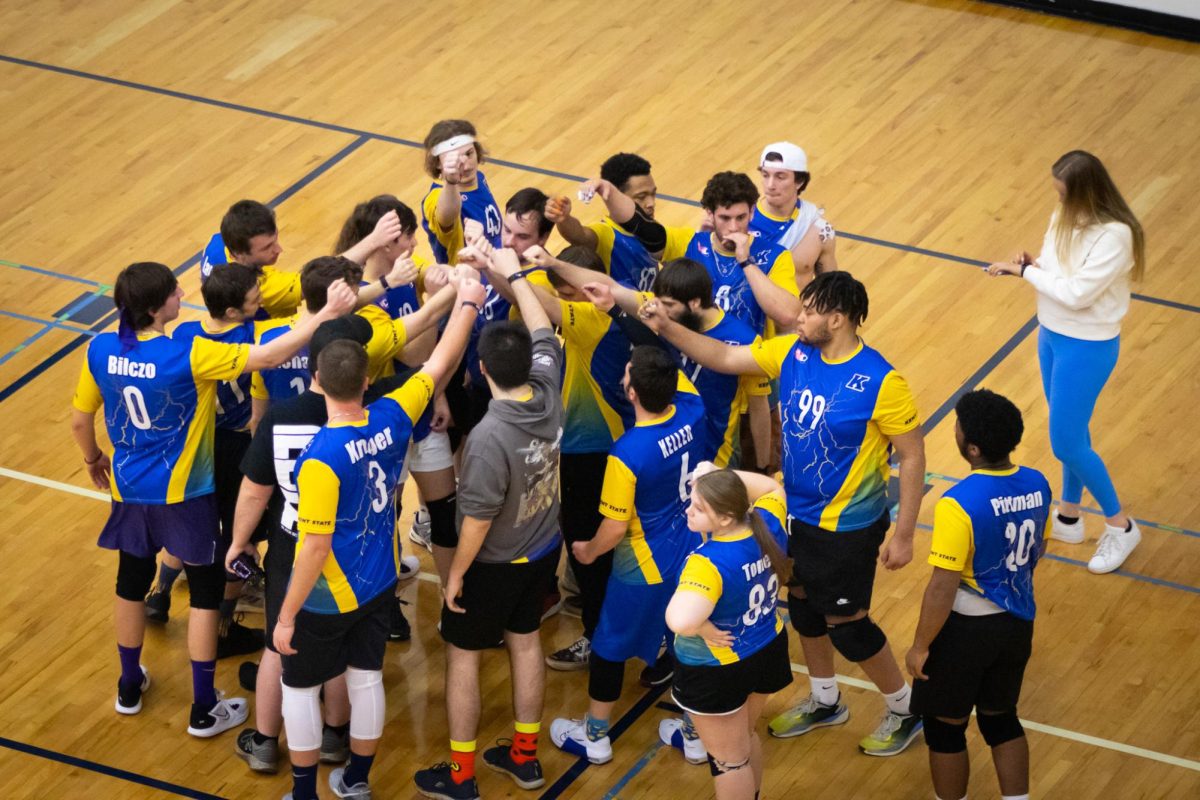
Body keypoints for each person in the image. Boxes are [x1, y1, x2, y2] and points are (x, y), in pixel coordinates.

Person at [639, 270, 928, 756]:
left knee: (850, 628)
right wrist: (667, 327)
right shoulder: (792, 352)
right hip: (794, 515)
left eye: (810, 310)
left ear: (836, 320)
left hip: (846, 528)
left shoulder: (882, 381)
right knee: (804, 613)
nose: (799, 316)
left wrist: (903, 535)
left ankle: (905, 707)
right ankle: (825, 700)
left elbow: (914, 456)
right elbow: (727, 356)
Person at [69, 261, 354, 736]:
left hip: (129, 489)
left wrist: (93, 458)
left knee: (129, 581)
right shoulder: (189, 353)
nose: (182, 293)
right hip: (185, 493)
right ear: (158, 307)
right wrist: (323, 316)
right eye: (173, 292)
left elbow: (80, 420)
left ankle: (127, 684)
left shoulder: (99, 348)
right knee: (203, 594)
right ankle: (203, 708)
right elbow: (266, 357)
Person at [271, 278, 481, 800]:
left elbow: (313, 548)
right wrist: (469, 301)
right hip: (379, 579)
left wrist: (288, 613)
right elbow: (439, 364)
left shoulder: (321, 459)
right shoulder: (392, 414)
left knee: (298, 687)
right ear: (368, 380)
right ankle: (357, 781)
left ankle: (302, 794)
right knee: (365, 678)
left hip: (328, 593)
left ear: (316, 380)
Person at [413, 247, 562, 800]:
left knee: (463, 659)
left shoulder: (485, 441)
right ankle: (524, 758)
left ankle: (461, 774)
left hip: (494, 564)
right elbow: (543, 328)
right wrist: (517, 274)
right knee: (526, 645)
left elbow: (473, 523)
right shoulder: (547, 387)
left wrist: (454, 578)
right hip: (543, 548)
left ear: (479, 370)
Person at [225, 315, 400, 775]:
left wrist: (239, 542)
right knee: (348, 659)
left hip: (293, 544)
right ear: (362, 375)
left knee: (278, 648)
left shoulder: (282, 415)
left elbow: (254, 490)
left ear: (315, 371)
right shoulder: (378, 409)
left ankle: (265, 741)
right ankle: (335, 737)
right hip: (360, 549)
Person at [986, 149, 1146, 575]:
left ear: (1086, 194)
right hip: (1051, 333)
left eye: (1063, 194)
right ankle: (1070, 516)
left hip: (1088, 345)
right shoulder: (1065, 216)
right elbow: (1058, 270)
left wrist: (1026, 275)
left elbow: (1077, 294)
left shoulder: (1116, 236)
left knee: (1065, 442)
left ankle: (1121, 525)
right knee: (1071, 428)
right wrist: (1034, 266)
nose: (1057, 202)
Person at [549, 348, 706, 765]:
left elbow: (615, 528)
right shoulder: (693, 409)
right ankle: (694, 734)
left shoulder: (626, 454)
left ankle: (595, 736)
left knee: (609, 644)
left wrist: (585, 551)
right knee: (685, 643)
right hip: (691, 552)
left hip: (642, 565)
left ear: (631, 392)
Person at [906, 390, 1051, 800]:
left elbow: (942, 586)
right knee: (1002, 719)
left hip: (966, 632)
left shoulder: (959, 503)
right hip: (1017, 623)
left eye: (958, 425)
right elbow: (1039, 548)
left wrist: (920, 645)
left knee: (944, 728)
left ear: (971, 447)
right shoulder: (1038, 484)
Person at [534, 250, 771, 470]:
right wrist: (553, 263)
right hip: (669, 447)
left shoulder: (745, 339)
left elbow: (759, 409)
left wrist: (763, 466)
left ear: (695, 303)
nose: (658, 311)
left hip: (716, 457)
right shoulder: (663, 307)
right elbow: (611, 287)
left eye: (667, 305)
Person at [662, 465, 794, 798]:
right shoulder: (767, 523)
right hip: (766, 647)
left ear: (724, 519)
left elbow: (679, 620)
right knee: (744, 738)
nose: (688, 510)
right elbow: (769, 486)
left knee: (729, 762)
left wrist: (704, 629)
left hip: (719, 668)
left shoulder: (708, 563)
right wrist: (721, 475)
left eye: (698, 507)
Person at [169, 264, 270, 660]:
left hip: (198, 445)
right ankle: (224, 625)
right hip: (237, 446)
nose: (260, 304)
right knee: (239, 536)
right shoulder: (251, 338)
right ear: (232, 312)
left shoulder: (185, 335)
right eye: (253, 301)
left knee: (201, 525)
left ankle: (160, 594)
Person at [576, 171, 801, 337]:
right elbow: (644, 228)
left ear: (752, 211)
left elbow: (788, 315)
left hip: (748, 367)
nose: (733, 227)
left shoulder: (774, 256)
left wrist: (746, 262)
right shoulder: (689, 243)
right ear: (710, 214)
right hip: (694, 360)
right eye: (724, 218)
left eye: (741, 217)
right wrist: (609, 190)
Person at [545, 152, 662, 291]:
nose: (651, 203)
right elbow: (578, 235)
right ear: (616, 196)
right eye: (641, 197)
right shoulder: (606, 234)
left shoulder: (653, 229)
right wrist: (564, 219)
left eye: (653, 194)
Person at [751, 141, 838, 277]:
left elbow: (829, 291)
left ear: (799, 181)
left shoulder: (820, 231)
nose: (770, 185)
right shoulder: (739, 220)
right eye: (765, 175)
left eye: (780, 177)